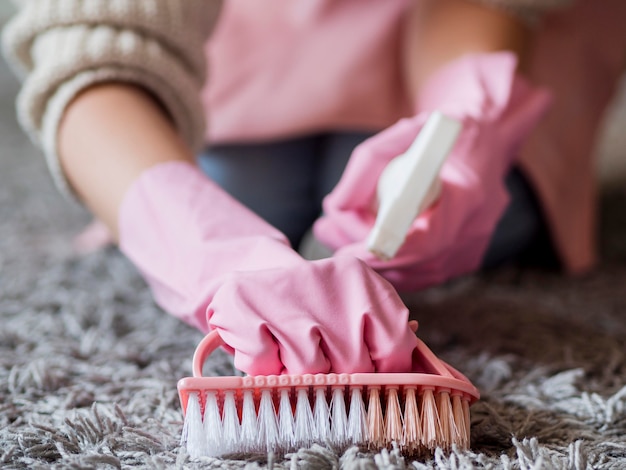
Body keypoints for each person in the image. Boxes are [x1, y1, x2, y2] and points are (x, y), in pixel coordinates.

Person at [3, 0, 626, 376]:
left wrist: (464, 127)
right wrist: (207, 251)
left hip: (494, 36)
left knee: (434, 210)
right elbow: (87, 51)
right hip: (251, 48)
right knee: (244, 194)